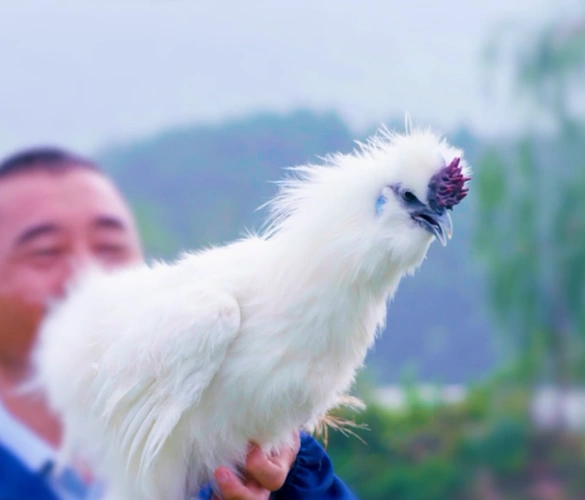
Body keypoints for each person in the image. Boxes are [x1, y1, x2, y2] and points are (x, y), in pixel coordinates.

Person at [0, 147, 356, 500]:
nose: (90, 274)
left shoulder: (266, 455)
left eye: (110, 245)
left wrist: (290, 481)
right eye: (45, 252)